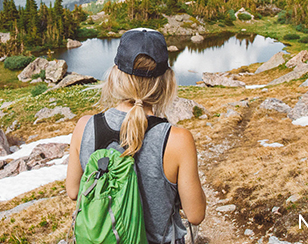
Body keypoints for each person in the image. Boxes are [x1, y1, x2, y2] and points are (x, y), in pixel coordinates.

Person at [66, 28, 206, 244]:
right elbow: (195, 215)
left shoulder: (85, 126)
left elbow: (74, 191)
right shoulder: (178, 139)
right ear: (167, 80)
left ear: (115, 74)